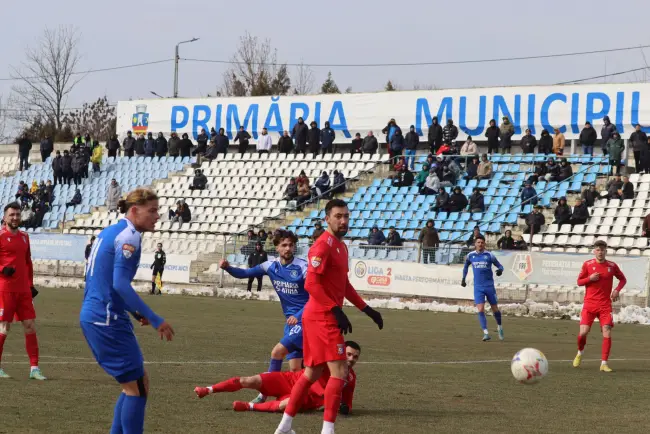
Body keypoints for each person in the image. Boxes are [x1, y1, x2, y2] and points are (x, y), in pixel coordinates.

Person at [274, 199, 383, 434]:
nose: (343, 221)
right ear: (327, 219)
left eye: (346, 216)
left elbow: (343, 284)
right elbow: (311, 283)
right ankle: (327, 430)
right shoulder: (321, 245)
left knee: (312, 373)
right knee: (340, 372)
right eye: (338, 216)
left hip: (321, 317)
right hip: (321, 317)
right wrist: (334, 309)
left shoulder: (342, 247)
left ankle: (284, 426)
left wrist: (367, 309)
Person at [80, 189, 174, 434]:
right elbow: (119, 283)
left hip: (99, 314)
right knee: (137, 388)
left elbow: (102, 279)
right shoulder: (129, 236)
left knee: (135, 384)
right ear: (135, 210)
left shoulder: (109, 232)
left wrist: (134, 312)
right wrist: (155, 319)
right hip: (106, 318)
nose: (157, 216)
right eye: (152, 211)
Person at [220, 230, 310, 403]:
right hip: (291, 323)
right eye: (284, 245)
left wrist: (298, 315)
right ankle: (305, 399)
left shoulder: (303, 267)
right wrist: (228, 267)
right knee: (295, 369)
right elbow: (245, 274)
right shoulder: (271, 266)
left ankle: (264, 393)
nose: (288, 248)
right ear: (276, 247)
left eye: (291, 245)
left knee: (277, 352)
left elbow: (315, 296)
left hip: (305, 319)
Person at [194, 340, 361, 416]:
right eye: (348, 354)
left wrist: (343, 408)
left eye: (355, 357)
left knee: (285, 405)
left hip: (306, 398)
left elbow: (347, 404)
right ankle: (207, 390)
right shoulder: (326, 360)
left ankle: (248, 406)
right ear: (340, 352)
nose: (351, 359)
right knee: (250, 380)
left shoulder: (350, 379)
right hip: (290, 379)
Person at [0, 202, 44, 380]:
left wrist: (30, 284)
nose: (15, 218)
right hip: (5, 289)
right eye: (12, 215)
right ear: (5, 217)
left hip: (23, 290)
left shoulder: (25, 237)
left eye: (17, 215)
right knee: (4, 327)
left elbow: (28, 262)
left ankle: (34, 368)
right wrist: (2, 268)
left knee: (30, 325)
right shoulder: (1, 236)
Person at [573, 240, 626, 373]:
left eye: (602, 249)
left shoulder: (612, 266)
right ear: (594, 251)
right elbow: (579, 282)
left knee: (607, 331)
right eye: (598, 249)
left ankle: (604, 363)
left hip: (605, 306)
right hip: (589, 305)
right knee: (583, 332)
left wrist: (617, 290)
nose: (600, 252)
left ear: (605, 251)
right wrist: (589, 279)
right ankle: (580, 352)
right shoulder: (587, 265)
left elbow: (623, 279)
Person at [461, 235, 504, 342]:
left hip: (489, 286)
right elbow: (466, 266)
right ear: (475, 244)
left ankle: (499, 326)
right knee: (480, 309)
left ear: (484, 244)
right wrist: (463, 278)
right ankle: (486, 333)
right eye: (478, 242)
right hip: (478, 287)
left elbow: (500, 266)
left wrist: (500, 270)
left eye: (482, 242)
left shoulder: (490, 255)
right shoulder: (470, 255)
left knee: (495, 309)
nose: (480, 244)